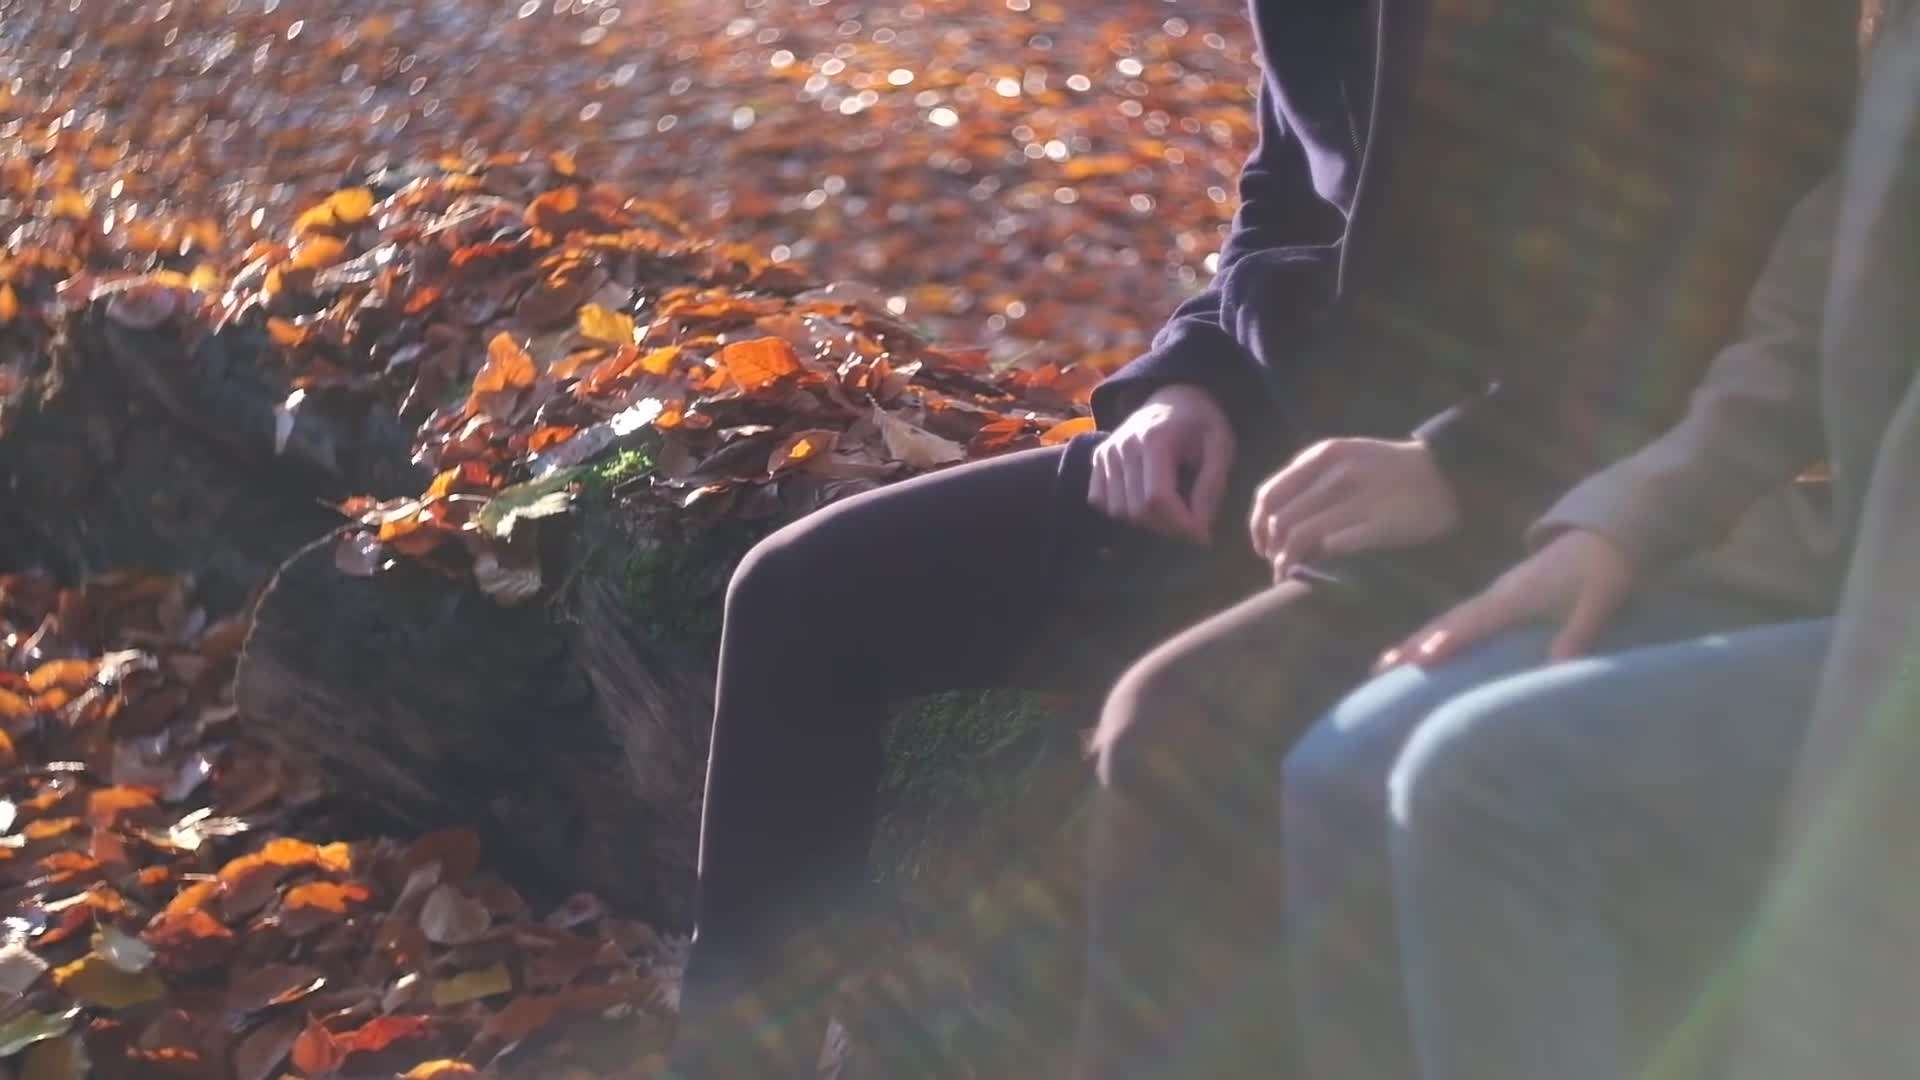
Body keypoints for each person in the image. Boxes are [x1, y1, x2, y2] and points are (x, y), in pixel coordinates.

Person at [663, 0, 1858, 1076]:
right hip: (1280, 451)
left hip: (1537, 496)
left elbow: (1725, 277)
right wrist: (1196, 380)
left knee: (1181, 729)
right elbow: (1290, 186)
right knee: (798, 593)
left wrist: (1467, 469)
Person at [1280, 4, 1906, 1078]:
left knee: (1483, 778)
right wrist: (1619, 527)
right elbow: (1806, 324)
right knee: (1344, 764)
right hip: (1850, 576)